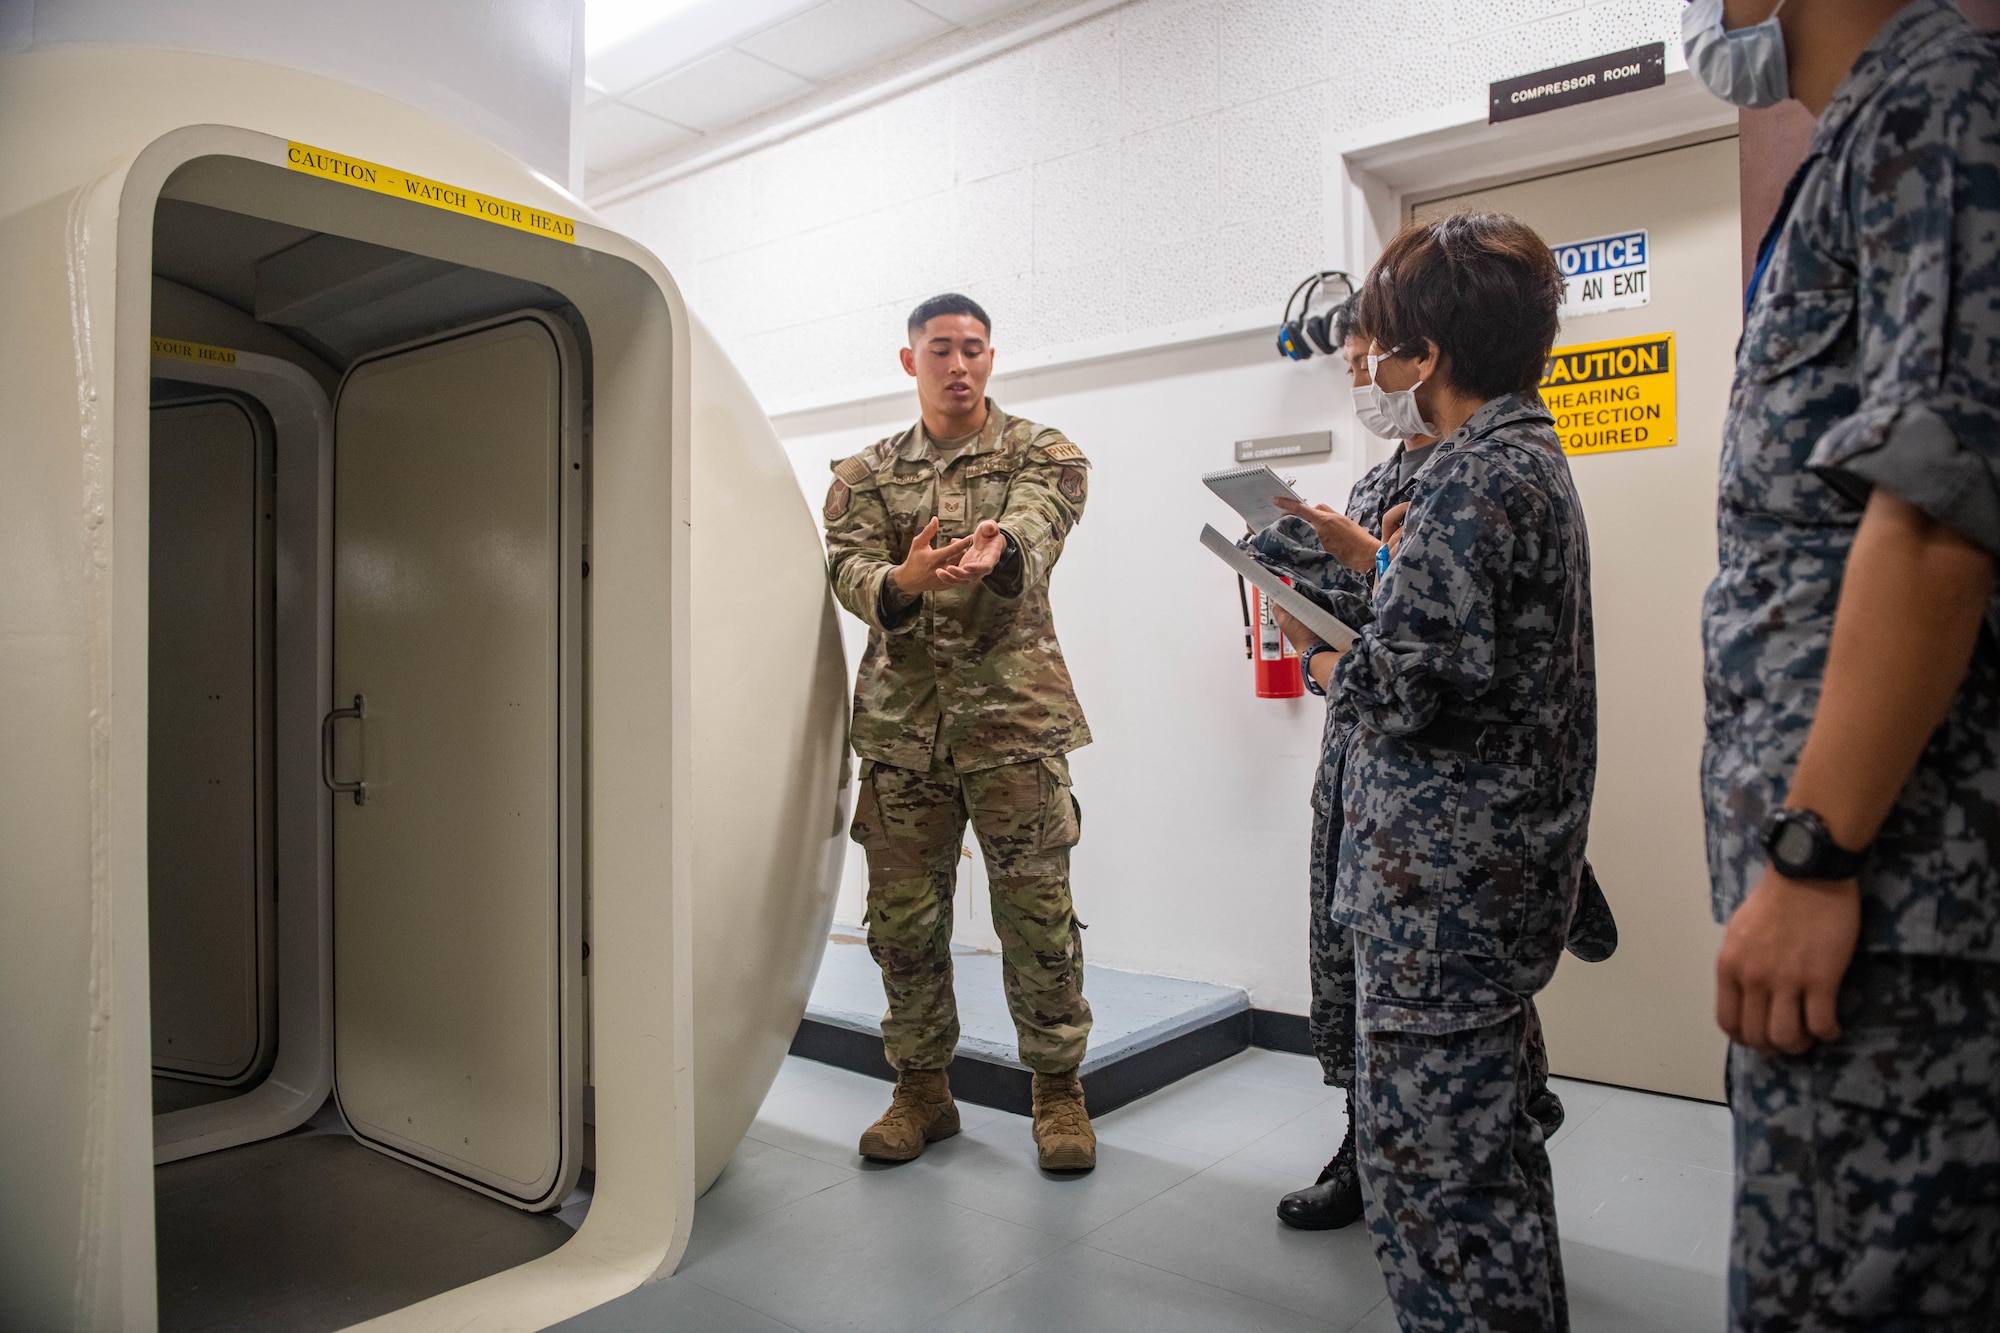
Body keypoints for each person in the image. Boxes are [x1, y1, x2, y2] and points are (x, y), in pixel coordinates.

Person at [1684, 0, 2000, 1324]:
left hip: (1891, 901)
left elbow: (1937, 508)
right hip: (1858, 899)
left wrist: (1817, 855)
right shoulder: (1861, 137)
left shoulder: (1942, 100)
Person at [1273, 214, 1595, 1328]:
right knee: (1488, 1164)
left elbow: (1405, 686)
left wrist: (1322, 658)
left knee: (1442, 1198)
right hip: (1476, 883)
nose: (1366, 362)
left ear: (1429, 353)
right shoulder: (1513, 459)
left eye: (1380, 340)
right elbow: (1462, 643)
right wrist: (1372, 562)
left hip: (1440, 894)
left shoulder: (1472, 477)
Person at [823, 292, 1098, 1172]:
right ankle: (921, 1091)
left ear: (991, 356)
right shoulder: (865, 474)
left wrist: (1000, 547)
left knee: (1038, 917)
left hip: (1013, 728)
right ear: (911, 361)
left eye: (974, 348)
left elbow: (1041, 521)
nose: (959, 364)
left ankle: (1058, 1095)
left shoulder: (1042, 452)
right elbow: (845, 563)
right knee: (902, 923)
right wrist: (897, 580)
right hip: (905, 736)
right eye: (940, 348)